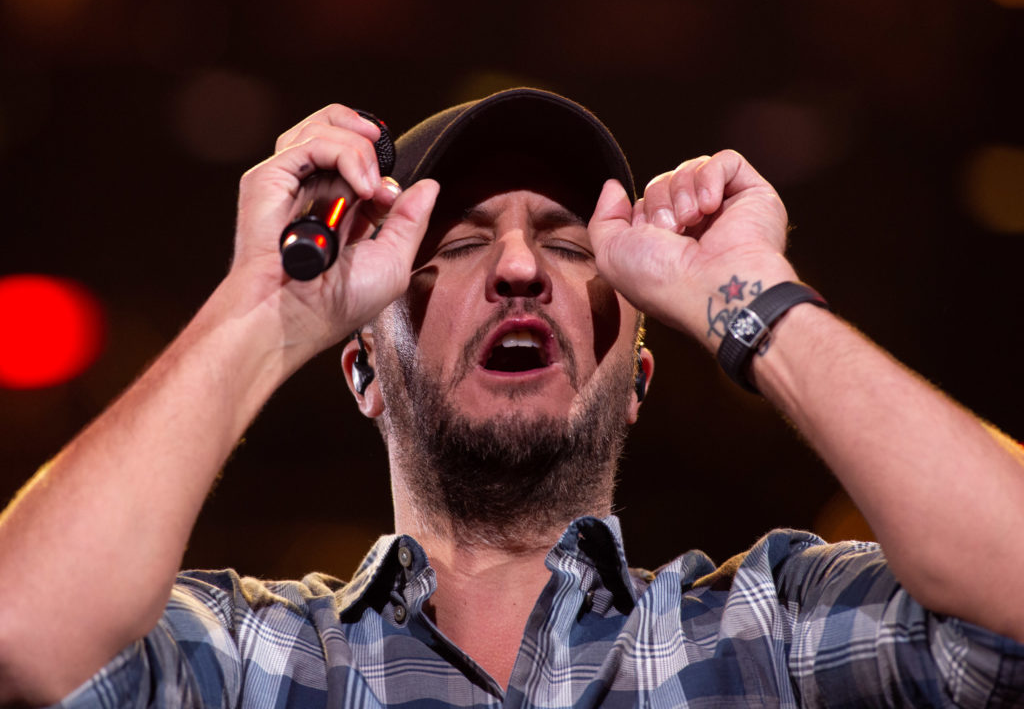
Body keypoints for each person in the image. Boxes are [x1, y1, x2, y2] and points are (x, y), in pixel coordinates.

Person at [0, 87, 1022, 709]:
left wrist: (743, 300)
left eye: (573, 244)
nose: (521, 268)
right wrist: (264, 310)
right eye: (459, 245)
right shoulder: (247, 659)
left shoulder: (776, 633)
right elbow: (23, 634)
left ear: (636, 384)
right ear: (361, 372)